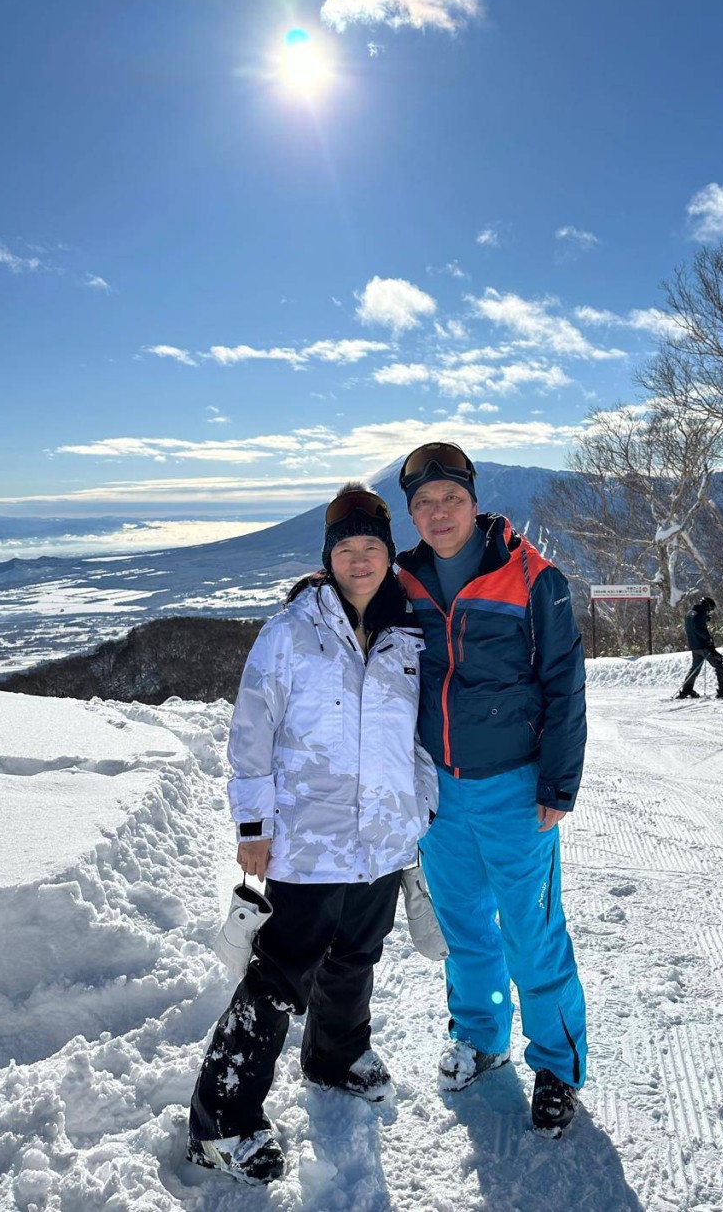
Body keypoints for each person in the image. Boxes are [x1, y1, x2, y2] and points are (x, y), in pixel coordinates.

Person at [187, 484, 438, 1185]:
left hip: (383, 839)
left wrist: (420, 809)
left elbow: (415, 737)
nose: (361, 561)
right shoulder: (291, 631)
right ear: (328, 558)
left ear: (389, 555)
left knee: (357, 956)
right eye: (346, 549)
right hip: (309, 839)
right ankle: (221, 1123)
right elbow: (252, 731)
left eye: (372, 548)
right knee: (277, 978)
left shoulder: (409, 633)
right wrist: (253, 825)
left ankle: (335, 1055)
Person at [394, 441, 588, 1137]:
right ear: (412, 514)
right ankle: (480, 1039)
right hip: (438, 792)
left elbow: (565, 683)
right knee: (467, 930)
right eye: (424, 504)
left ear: (475, 502)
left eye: (451, 499)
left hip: (514, 787)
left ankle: (558, 1066)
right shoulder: (403, 582)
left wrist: (559, 783)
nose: (439, 513)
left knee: (532, 935)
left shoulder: (533, 578)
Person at [676, 596, 723, 698]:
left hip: (694, 646)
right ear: (707, 606)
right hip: (703, 646)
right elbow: (698, 628)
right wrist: (708, 639)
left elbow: (693, 624)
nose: (710, 612)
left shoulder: (689, 613)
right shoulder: (699, 615)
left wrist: (704, 619)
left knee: (695, 668)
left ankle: (687, 689)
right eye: (710, 609)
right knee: (719, 665)